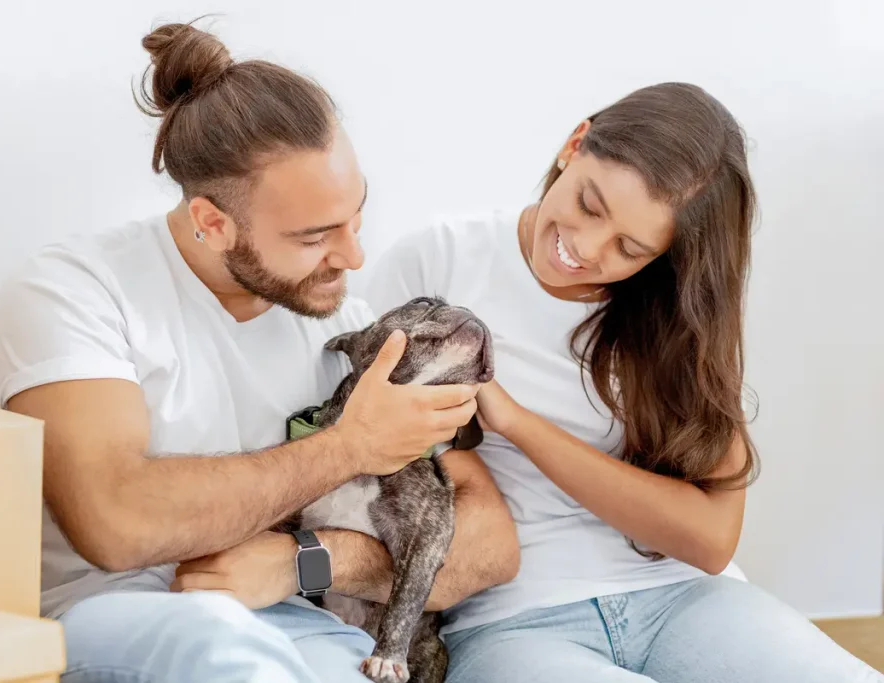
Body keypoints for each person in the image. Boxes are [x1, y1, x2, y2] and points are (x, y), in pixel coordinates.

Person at [0, 21, 519, 683]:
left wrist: (311, 561)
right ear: (213, 222)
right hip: (122, 614)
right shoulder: (77, 291)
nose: (354, 257)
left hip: (292, 616)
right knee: (228, 649)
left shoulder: (352, 333)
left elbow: (491, 544)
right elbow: (114, 519)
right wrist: (350, 446)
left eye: (356, 216)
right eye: (315, 236)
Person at [365, 82, 883, 682]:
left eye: (630, 247)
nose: (582, 249)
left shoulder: (672, 320)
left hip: (682, 601)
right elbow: (357, 438)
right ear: (574, 144)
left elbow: (711, 541)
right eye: (589, 204)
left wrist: (515, 422)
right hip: (511, 620)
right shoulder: (437, 262)